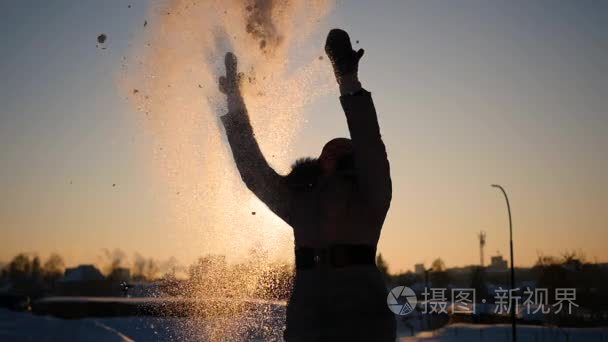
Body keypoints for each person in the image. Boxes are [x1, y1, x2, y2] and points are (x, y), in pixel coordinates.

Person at [219, 29, 395, 341]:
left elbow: (369, 142)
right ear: (321, 162)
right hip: (308, 322)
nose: (336, 152)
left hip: (363, 320)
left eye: (344, 150)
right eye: (330, 149)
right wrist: (233, 99)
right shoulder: (301, 202)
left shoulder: (372, 196)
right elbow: (254, 172)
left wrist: (348, 79)